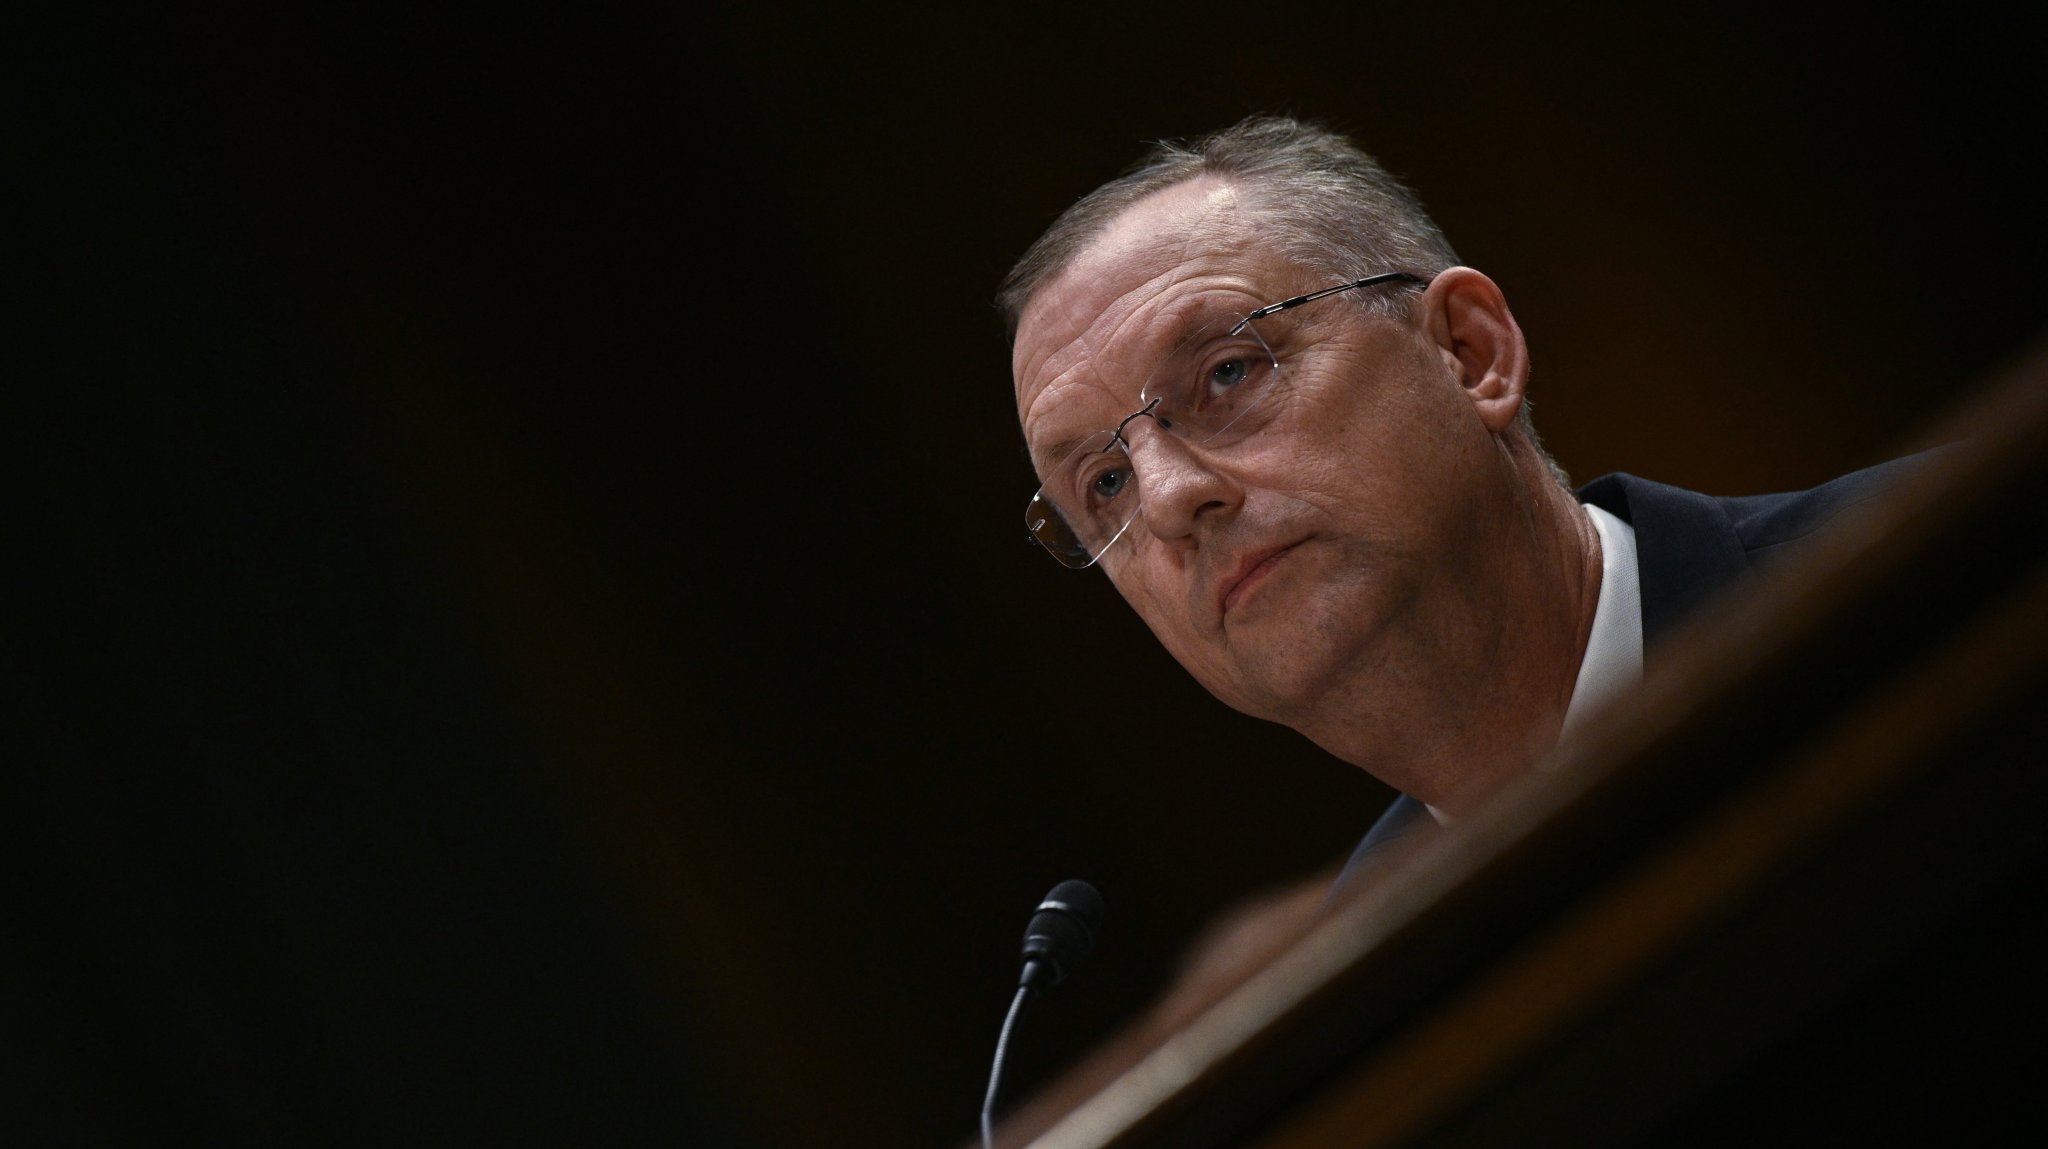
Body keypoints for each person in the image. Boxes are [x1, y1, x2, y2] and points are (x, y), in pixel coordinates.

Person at [999, 113, 1935, 903]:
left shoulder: (1937, 574)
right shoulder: (1349, 1009)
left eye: (1229, 371)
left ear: (1467, 351)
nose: (1168, 500)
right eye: (1105, 484)